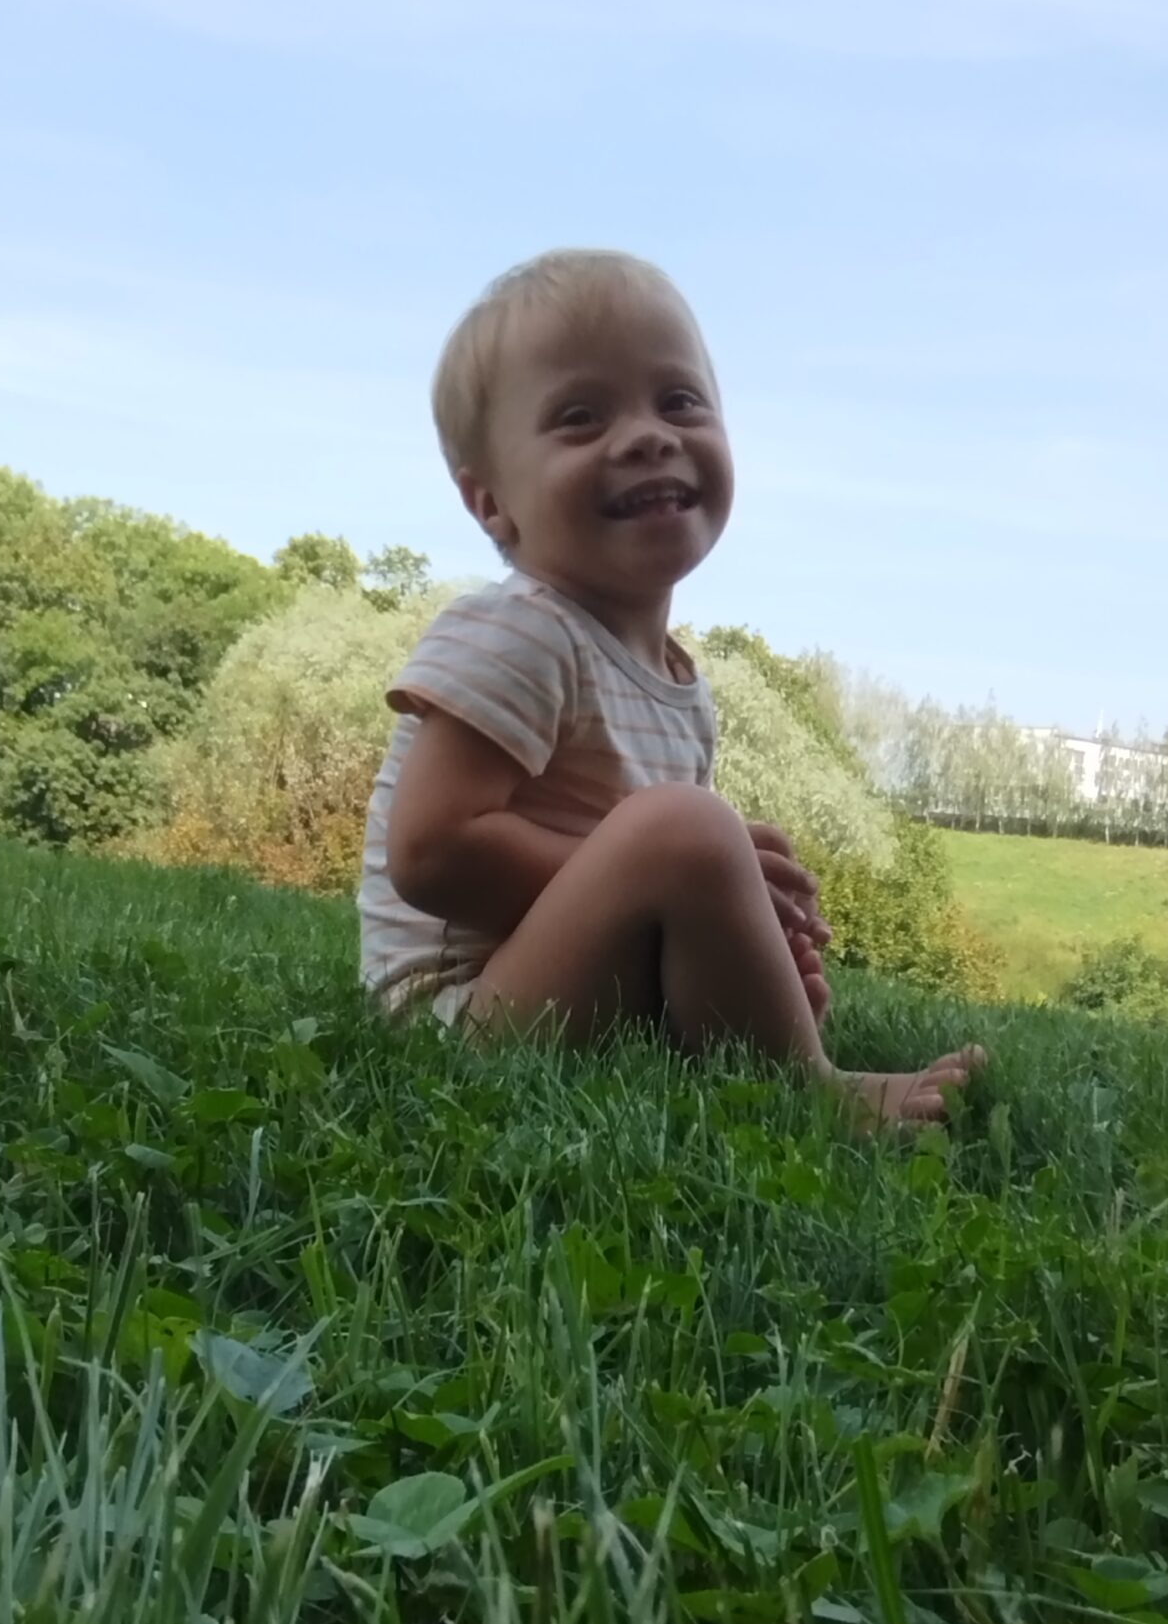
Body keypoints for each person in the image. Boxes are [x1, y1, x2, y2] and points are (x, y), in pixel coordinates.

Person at [357, 248, 984, 1125]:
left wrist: (739, 943)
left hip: (563, 992)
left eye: (680, 401)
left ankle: (769, 1049)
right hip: (460, 1020)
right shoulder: (519, 629)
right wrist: (667, 857)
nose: (648, 435)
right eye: (581, 417)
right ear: (492, 503)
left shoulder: (680, 684)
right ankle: (821, 1099)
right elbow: (430, 850)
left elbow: (637, 876)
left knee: (699, 839)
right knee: (689, 828)